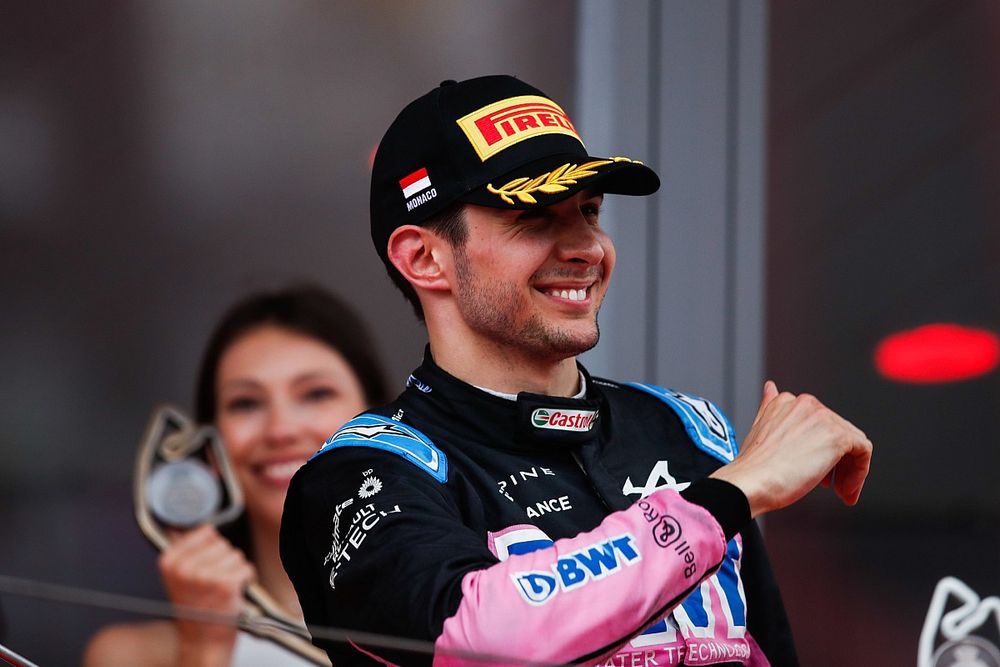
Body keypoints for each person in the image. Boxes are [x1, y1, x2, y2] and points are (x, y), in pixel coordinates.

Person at [280, 75, 873, 666]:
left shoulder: (682, 427)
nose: (587, 247)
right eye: (534, 219)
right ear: (424, 257)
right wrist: (730, 495)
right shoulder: (363, 475)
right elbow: (477, 635)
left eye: (589, 212)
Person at [85, 285, 388, 667]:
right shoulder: (131, 655)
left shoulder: (465, 613)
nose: (281, 430)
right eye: (246, 403)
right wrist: (205, 648)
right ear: (211, 449)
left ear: (380, 423)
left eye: (316, 394)